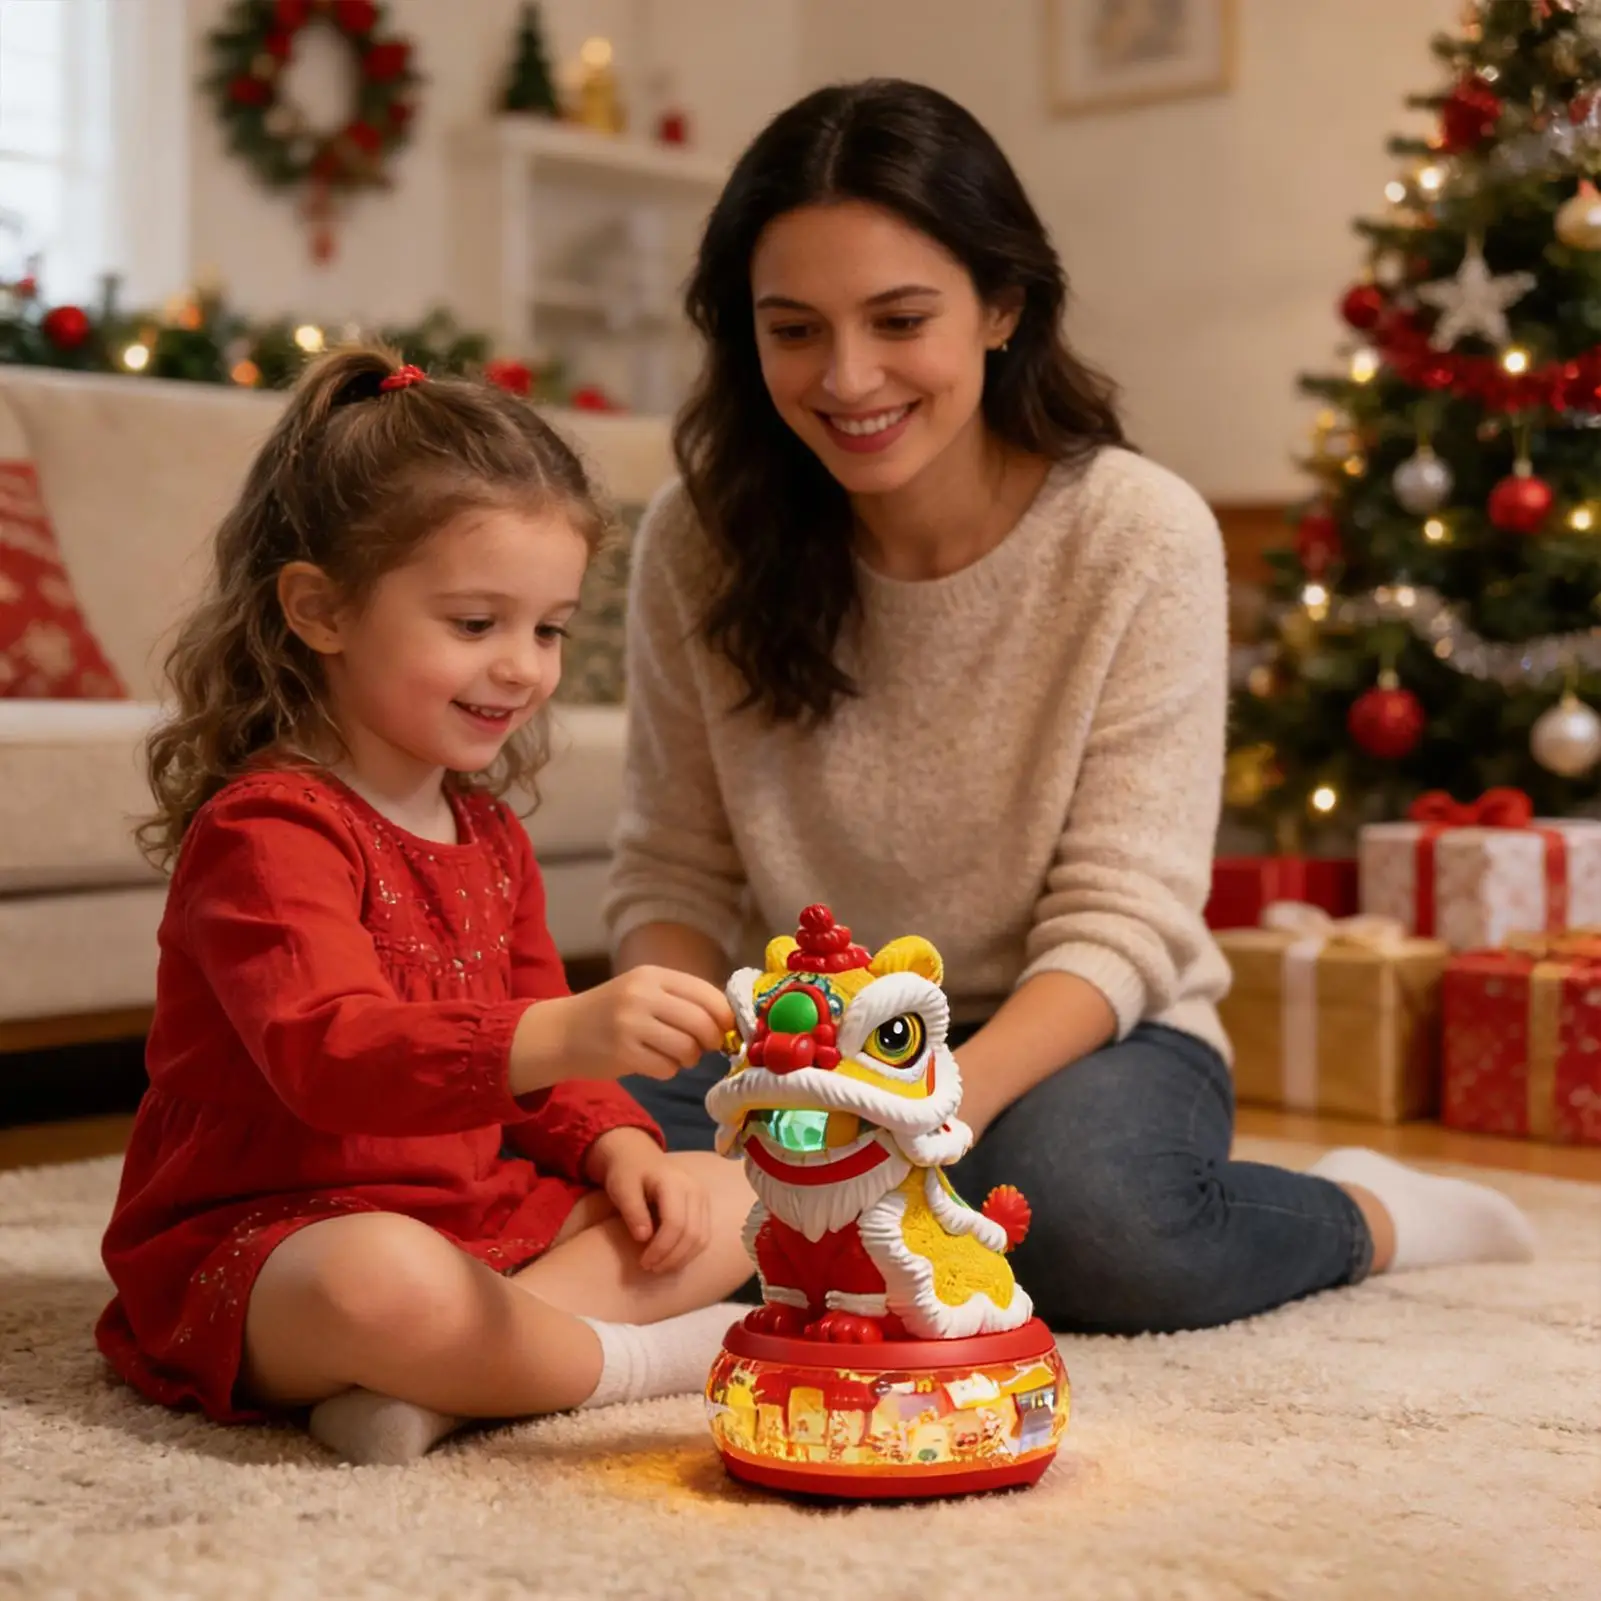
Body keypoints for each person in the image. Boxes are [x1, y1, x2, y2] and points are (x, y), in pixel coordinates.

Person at [605, 78, 1536, 1336]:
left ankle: (1363, 1212)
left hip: (1080, 1027)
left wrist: (919, 1115)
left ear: (1002, 306)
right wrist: (666, 1066)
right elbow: (673, 869)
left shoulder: (1136, 533)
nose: (847, 376)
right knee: (583, 1164)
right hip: (801, 1038)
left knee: (1085, 1219)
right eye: (792, 330)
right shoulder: (696, 540)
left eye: (898, 318)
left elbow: (1123, 919)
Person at [97, 347, 752, 1467]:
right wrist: (568, 1030)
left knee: (732, 1189)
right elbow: (327, 1051)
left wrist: (618, 1147)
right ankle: (637, 1362)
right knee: (384, 1281)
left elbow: (549, 1049)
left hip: (482, 1219)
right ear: (320, 609)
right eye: (473, 622)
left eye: (546, 629)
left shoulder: (487, 831)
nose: (522, 667)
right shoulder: (268, 827)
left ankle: (448, 1389)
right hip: (278, 1237)